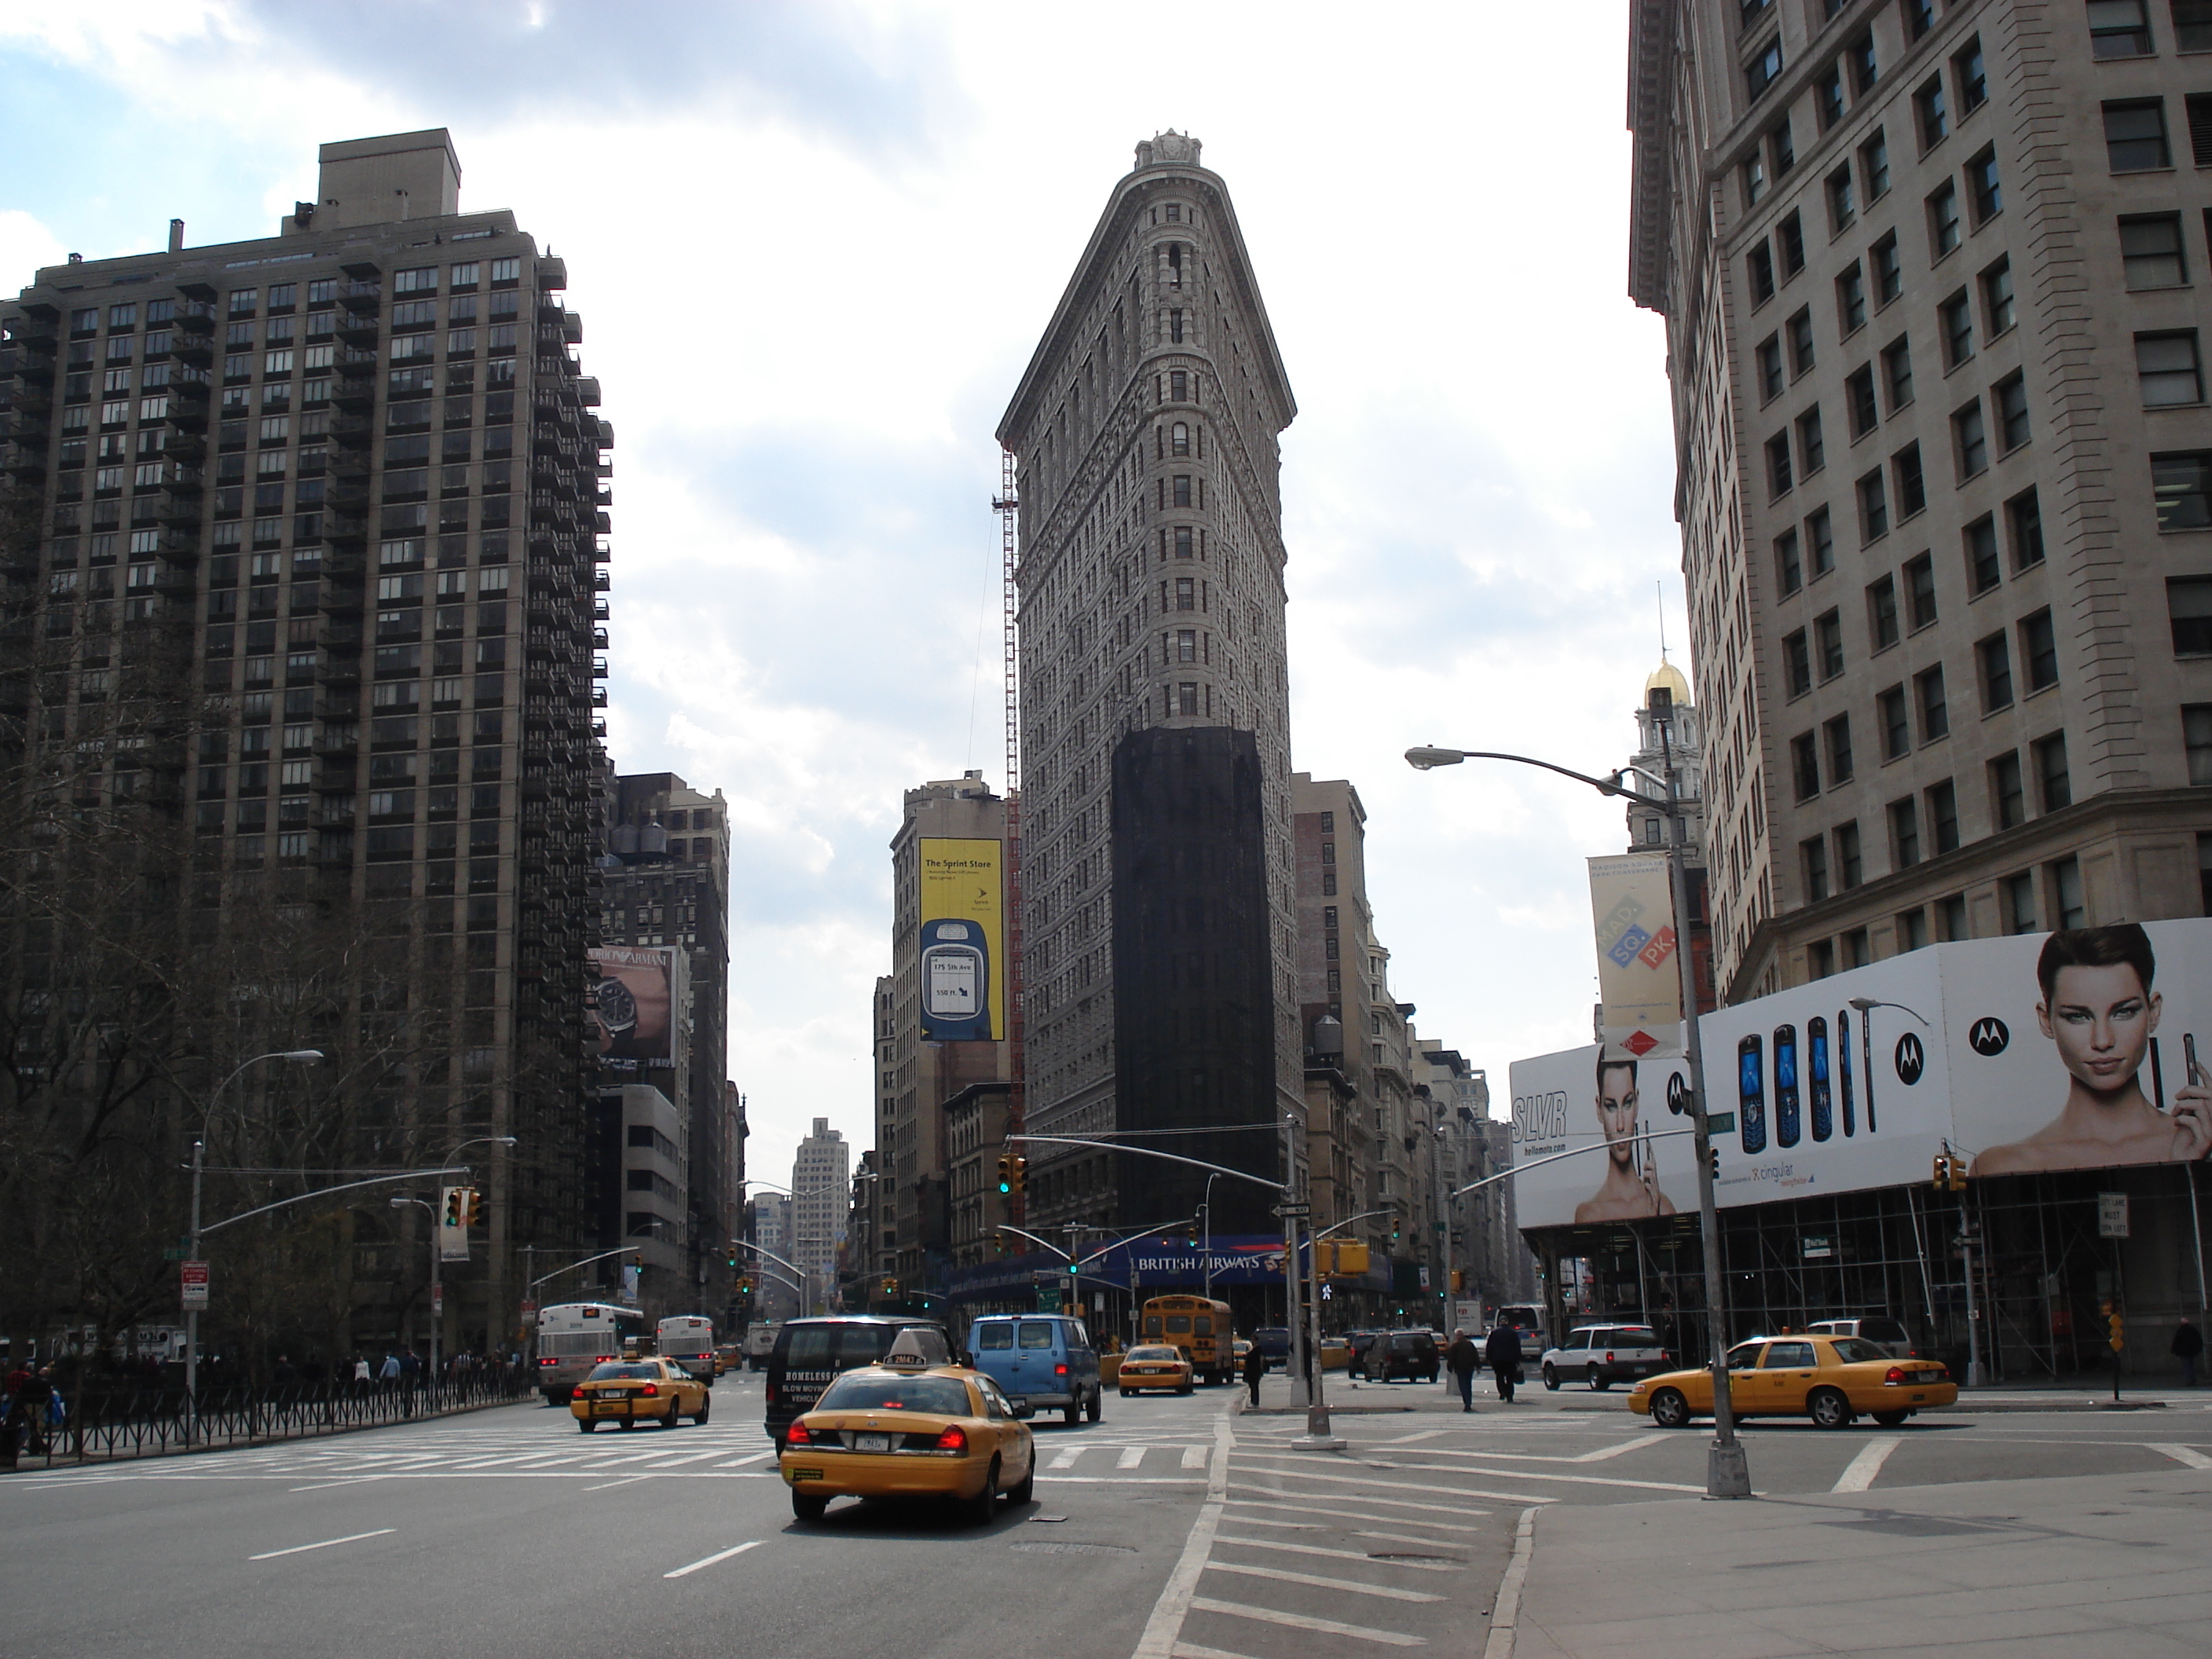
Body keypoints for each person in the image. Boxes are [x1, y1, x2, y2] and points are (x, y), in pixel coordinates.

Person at [1974, 925, 2212, 1175]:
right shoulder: (2003, 1165)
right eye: (2078, 1017)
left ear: (2153, 1012)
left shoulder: (2197, 1142)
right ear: (2046, 1021)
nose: (2102, 1041)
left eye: (2123, 1012)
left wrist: (2190, 1168)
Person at [1575, 1053, 1679, 1223]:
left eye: (1627, 1103)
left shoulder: (1663, 1206)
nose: (1621, 1125)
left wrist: (1654, 1216)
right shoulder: (1589, 1214)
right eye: (1611, 1107)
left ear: (1637, 1103)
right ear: (1599, 1109)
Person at [1485, 1320, 1522, 1403]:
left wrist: (1489, 1358)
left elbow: (1489, 1346)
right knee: (1510, 1378)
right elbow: (1517, 1346)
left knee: (1499, 1377)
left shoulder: (1494, 1333)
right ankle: (1510, 1396)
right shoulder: (1512, 1333)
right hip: (1510, 1360)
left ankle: (1502, 1392)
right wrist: (1518, 1359)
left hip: (1497, 1359)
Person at [1445, 1329, 1481, 1413]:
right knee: (1468, 1385)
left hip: (1460, 1368)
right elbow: (1475, 1355)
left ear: (1457, 1336)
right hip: (1469, 1367)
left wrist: (1450, 1368)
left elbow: (1451, 1358)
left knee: (1463, 1386)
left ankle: (1467, 1403)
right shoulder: (1469, 1344)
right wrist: (1478, 1366)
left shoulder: (1455, 1345)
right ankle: (1468, 1403)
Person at [2174, 1317, 2204, 1388]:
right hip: (2192, 1351)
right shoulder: (2193, 1330)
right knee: (2190, 1365)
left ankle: (2189, 1380)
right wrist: (2199, 1349)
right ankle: (2192, 1379)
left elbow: (2176, 1341)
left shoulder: (2180, 1330)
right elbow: (2199, 1340)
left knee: (2186, 1366)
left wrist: (2174, 1350)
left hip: (2184, 1351)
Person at [1242, 1338, 1267, 1409]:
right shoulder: (1253, 1349)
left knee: (1254, 1387)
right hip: (1251, 1371)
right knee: (1252, 1387)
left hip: (1255, 1371)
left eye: (1254, 1340)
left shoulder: (1257, 1349)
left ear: (1256, 1341)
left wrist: (1247, 1355)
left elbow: (1252, 1358)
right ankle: (1253, 1402)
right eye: (1252, 1340)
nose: (1252, 1341)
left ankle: (1255, 1403)